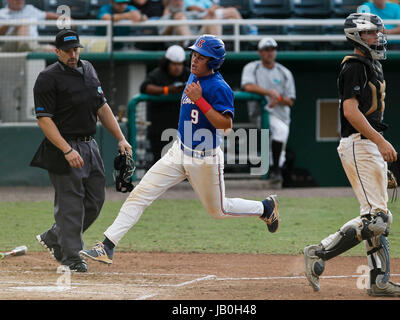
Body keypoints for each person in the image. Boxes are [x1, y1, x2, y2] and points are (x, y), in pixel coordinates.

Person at [80, 35, 280, 265]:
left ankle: (265, 208)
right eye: (194, 54)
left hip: (205, 160)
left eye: (201, 57)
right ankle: (107, 245)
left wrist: (201, 101)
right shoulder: (194, 75)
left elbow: (226, 126)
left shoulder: (219, 87)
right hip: (178, 151)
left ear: (213, 62)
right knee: (141, 193)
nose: (194, 60)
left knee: (219, 210)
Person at [303, 13, 400, 297]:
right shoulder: (353, 66)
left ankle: (378, 282)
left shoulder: (371, 65)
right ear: (358, 36)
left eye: (378, 33)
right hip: (359, 143)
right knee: (378, 219)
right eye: (372, 33)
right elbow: (350, 112)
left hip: (367, 145)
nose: (378, 37)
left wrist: (377, 153)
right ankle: (319, 252)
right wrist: (380, 143)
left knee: (377, 217)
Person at [31, 29, 132, 273]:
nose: (73, 54)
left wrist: (120, 138)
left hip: (90, 145)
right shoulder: (47, 78)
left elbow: (102, 106)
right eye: (67, 51)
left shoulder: (88, 69)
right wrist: (66, 150)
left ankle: (56, 235)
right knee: (70, 204)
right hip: (64, 147)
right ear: (57, 52)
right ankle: (71, 256)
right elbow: (44, 119)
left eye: (76, 49)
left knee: (96, 200)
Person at [241, 37, 296, 184]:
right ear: (260, 52)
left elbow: (290, 100)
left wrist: (277, 98)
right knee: (281, 131)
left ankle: (274, 173)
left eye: (272, 49)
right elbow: (247, 86)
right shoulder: (252, 67)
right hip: (260, 113)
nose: (270, 53)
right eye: (266, 50)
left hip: (281, 115)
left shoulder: (284, 72)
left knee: (280, 152)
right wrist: (268, 93)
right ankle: (276, 171)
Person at [140, 45, 191, 164]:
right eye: (174, 64)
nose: (177, 68)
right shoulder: (158, 74)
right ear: (167, 63)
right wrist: (167, 90)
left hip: (182, 127)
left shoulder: (188, 74)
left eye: (180, 64)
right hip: (160, 128)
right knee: (160, 161)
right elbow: (145, 87)